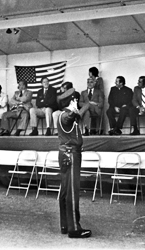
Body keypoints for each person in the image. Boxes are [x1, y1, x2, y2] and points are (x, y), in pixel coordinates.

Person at [57, 91, 91, 239]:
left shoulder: (61, 115)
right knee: (71, 192)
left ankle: (65, 225)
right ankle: (74, 229)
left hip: (66, 153)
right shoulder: (66, 116)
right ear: (72, 101)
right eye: (76, 100)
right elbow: (72, 116)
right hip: (71, 155)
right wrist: (75, 108)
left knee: (65, 191)